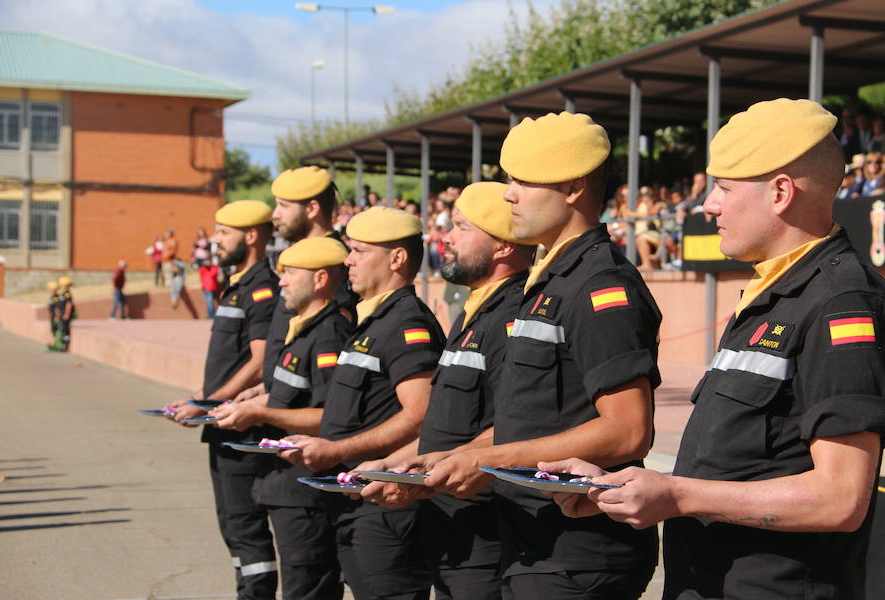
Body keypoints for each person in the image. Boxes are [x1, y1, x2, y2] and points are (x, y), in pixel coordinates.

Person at [545, 99, 885, 600]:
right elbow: (741, 462)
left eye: (725, 189)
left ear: (780, 193)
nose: (707, 204)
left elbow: (840, 498)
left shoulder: (844, 304)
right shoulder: (777, 293)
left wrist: (677, 495)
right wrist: (619, 484)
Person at [424, 112, 663, 600]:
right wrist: (457, 457)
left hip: (577, 552)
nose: (508, 193)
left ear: (574, 188)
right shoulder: (550, 281)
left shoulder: (599, 286)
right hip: (533, 541)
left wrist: (491, 460)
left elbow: (628, 429)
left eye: (522, 181)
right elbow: (532, 420)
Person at [356, 182, 534, 600]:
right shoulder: (475, 313)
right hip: (449, 525)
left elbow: (519, 426)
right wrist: (393, 464)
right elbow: (446, 426)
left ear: (504, 246)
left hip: (484, 533)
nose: (445, 238)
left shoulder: (512, 319)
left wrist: (436, 469)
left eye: (460, 228)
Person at [279, 206, 444, 600]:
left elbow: (421, 415)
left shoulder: (407, 322)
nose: (348, 260)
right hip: (356, 496)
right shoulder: (373, 320)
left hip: (386, 506)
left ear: (397, 258)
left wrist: (337, 449)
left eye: (359, 250)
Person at [212, 237, 353, 600]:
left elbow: (330, 417)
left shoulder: (329, 333)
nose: (282, 282)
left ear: (321, 280)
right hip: (285, 483)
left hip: (306, 487)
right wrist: (258, 396)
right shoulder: (304, 326)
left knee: (307, 589)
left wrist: (260, 411)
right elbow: (298, 394)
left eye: (290, 273)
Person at [170, 200, 280, 600]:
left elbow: (260, 359)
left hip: (242, 429)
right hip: (219, 420)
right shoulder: (238, 285)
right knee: (230, 524)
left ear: (251, 236)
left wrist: (208, 401)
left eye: (223, 232)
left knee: (246, 527)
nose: (214, 240)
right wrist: (202, 401)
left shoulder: (263, 287)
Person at [236, 166, 357, 407]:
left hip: (302, 415)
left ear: (312, 209)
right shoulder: (301, 257)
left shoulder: (331, 261)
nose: (275, 214)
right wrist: (267, 387)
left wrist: (273, 401)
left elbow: (329, 346)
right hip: (280, 400)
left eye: (284, 206)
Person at [56, 275, 75, 352]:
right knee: (62, 329)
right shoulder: (62, 293)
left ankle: (65, 346)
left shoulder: (67, 293)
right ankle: (61, 344)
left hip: (65, 315)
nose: (59, 284)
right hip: (61, 314)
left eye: (61, 283)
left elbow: (69, 304)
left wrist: (67, 314)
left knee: (66, 330)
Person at [46, 281, 62, 351]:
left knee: (56, 330)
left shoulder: (56, 297)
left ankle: (56, 344)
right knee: (53, 330)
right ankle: (54, 343)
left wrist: (57, 316)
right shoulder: (53, 296)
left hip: (55, 316)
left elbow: (57, 307)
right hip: (52, 315)